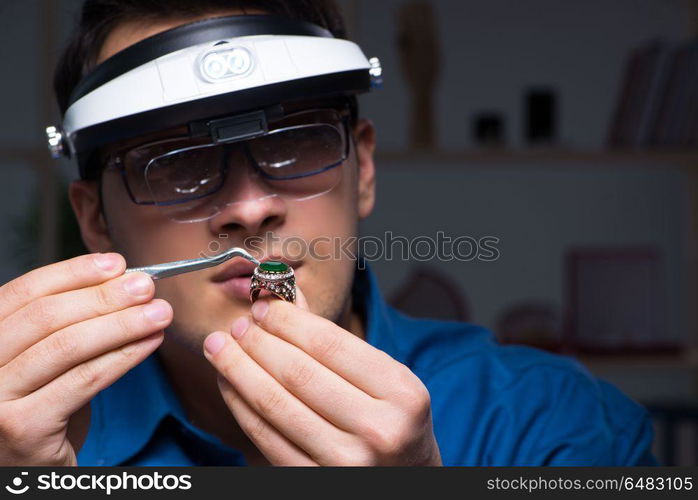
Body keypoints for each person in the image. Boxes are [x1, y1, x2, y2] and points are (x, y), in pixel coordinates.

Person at [0, 0, 656, 466]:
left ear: (364, 168)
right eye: (176, 165)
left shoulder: (555, 426)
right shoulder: (34, 437)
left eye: (298, 142)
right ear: (94, 220)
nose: (250, 209)